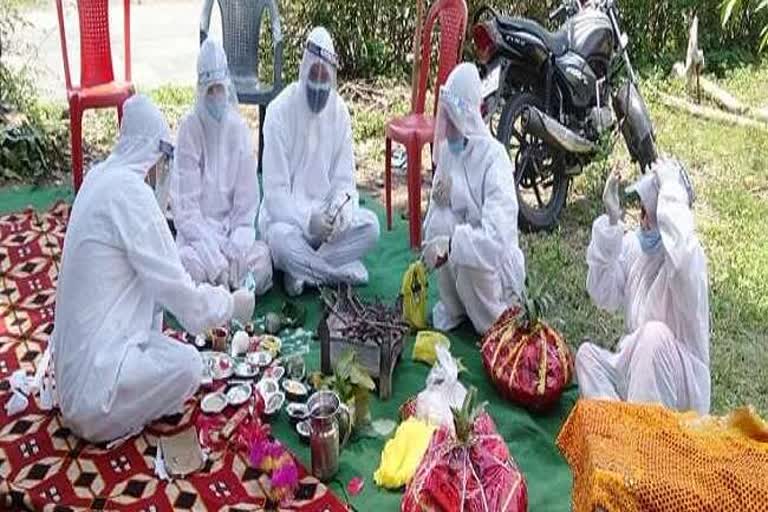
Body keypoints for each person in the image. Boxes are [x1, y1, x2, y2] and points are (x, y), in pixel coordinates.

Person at [51, 95, 254, 443]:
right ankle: (122, 414)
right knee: (189, 366)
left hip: (71, 376)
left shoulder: (99, 177)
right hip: (95, 397)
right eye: (165, 162)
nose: (166, 173)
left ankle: (132, 397)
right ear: (154, 158)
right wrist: (230, 304)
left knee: (162, 332)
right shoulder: (132, 194)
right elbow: (184, 301)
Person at [576, 157, 710, 414]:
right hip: (639, 372)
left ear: (668, 216)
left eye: (652, 215)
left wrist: (671, 190)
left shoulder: (690, 260)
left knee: (653, 337)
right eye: (642, 213)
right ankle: (620, 433)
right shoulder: (635, 247)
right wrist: (612, 223)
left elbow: (681, 260)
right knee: (587, 357)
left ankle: (646, 446)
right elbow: (602, 294)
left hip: (681, 392)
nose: (644, 223)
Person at [259, 27, 380, 297]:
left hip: (327, 228)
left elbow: (345, 184)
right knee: (279, 242)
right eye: (314, 75)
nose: (319, 85)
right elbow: (275, 197)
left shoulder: (339, 113)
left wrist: (340, 214)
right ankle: (335, 275)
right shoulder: (279, 112)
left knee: (371, 227)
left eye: (325, 78)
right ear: (303, 72)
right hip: (290, 224)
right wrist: (306, 220)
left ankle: (302, 272)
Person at [421, 63, 526, 335]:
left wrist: (454, 244)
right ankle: (456, 309)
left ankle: (492, 322)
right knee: (440, 222)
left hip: (495, 272)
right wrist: (434, 238)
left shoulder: (495, 159)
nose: (448, 131)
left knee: (467, 256)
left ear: (467, 117)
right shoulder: (447, 152)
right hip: (463, 253)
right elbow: (436, 215)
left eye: (452, 121)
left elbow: (496, 241)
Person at [171, 39, 272, 294]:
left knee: (263, 261)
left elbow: (246, 206)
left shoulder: (238, 129)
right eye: (210, 91)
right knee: (185, 266)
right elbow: (187, 213)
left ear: (227, 88)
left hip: (231, 238)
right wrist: (216, 262)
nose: (216, 97)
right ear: (201, 91)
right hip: (199, 244)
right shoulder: (189, 129)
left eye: (219, 89)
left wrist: (235, 249)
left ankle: (227, 291)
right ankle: (231, 291)